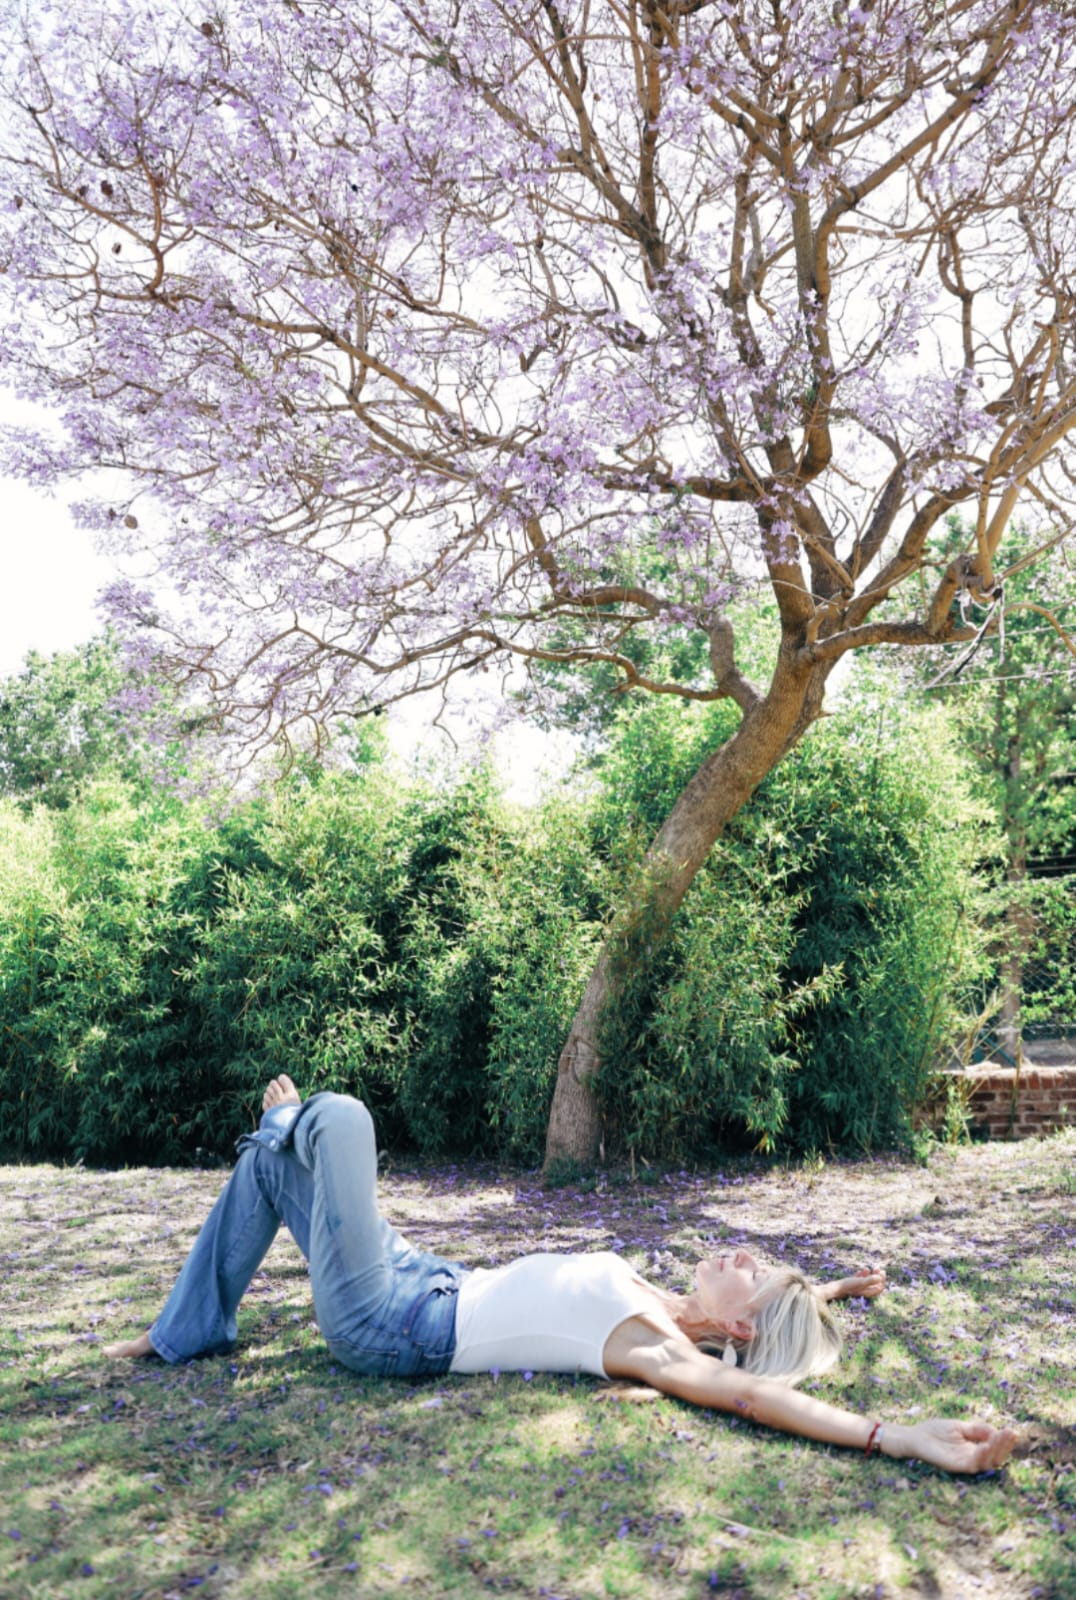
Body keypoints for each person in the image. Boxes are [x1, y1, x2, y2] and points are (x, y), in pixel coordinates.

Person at [105, 1078, 1017, 1475]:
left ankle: (287, 1120)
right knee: (273, 1169)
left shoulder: (658, 1347)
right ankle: (193, 1329)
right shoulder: (666, 1301)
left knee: (336, 1121)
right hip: (422, 1273)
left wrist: (893, 1435)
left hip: (392, 1324)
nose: (742, 1253)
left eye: (756, 1273)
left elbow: (750, 1398)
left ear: (739, 1331)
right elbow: (775, 1322)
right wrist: (835, 1293)